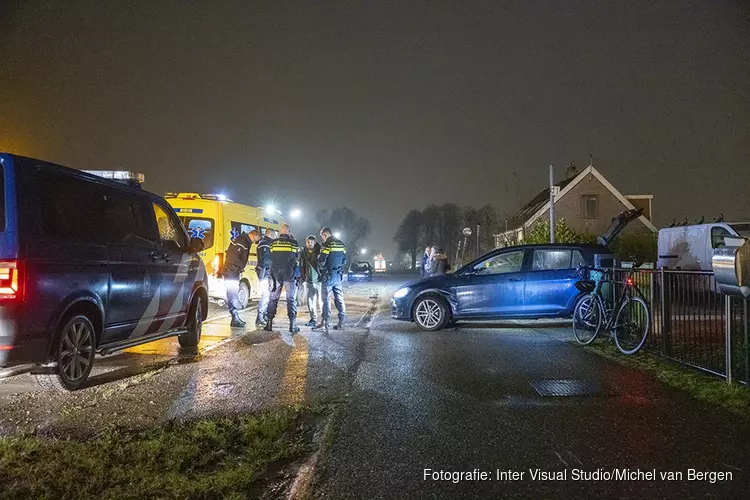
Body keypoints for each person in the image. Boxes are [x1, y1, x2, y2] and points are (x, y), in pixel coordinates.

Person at [264, 224, 301, 333]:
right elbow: (297, 258)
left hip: (275, 274)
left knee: (273, 299)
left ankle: (269, 324)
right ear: (289, 232)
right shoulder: (294, 243)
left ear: (280, 232)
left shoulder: (273, 243)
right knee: (291, 299)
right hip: (289, 274)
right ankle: (292, 325)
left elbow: (270, 258)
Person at [222, 229, 260, 327]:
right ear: (252, 235)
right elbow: (233, 257)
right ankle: (235, 317)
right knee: (233, 295)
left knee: (233, 294)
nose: (256, 242)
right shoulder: (242, 242)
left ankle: (235, 318)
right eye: (256, 239)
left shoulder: (243, 241)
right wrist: (240, 266)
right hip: (231, 271)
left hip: (233, 271)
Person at [313, 227, 347, 332]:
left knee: (326, 299)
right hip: (338, 275)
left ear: (325, 235)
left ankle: (325, 322)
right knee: (339, 299)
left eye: (322, 237)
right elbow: (345, 260)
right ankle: (341, 322)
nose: (322, 239)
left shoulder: (327, 245)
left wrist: (321, 269)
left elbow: (322, 261)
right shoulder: (341, 244)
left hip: (328, 275)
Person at [300, 235, 322, 327]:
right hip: (308, 280)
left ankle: (324, 319)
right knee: (310, 300)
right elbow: (301, 265)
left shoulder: (319, 251)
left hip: (319, 280)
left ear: (315, 243)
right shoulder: (303, 252)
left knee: (321, 301)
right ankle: (313, 319)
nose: (309, 244)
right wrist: (302, 277)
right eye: (308, 242)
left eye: (311, 242)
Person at [255, 228, 274, 327]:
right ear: (271, 234)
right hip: (265, 272)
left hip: (263, 272)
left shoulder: (261, 242)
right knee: (265, 295)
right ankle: (260, 317)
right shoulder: (267, 244)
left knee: (267, 295)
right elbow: (266, 260)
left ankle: (264, 316)